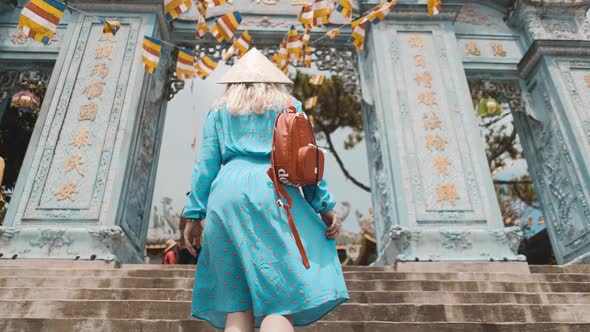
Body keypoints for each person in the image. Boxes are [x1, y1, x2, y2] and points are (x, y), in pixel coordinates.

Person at [182, 48, 349, 332]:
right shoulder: (289, 106)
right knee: (279, 302)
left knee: (237, 302)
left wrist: (194, 214)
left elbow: (205, 165)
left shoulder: (219, 110)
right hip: (273, 190)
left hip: (227, 195)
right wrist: (325, 206)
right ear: (273, 80)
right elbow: (304, 159)